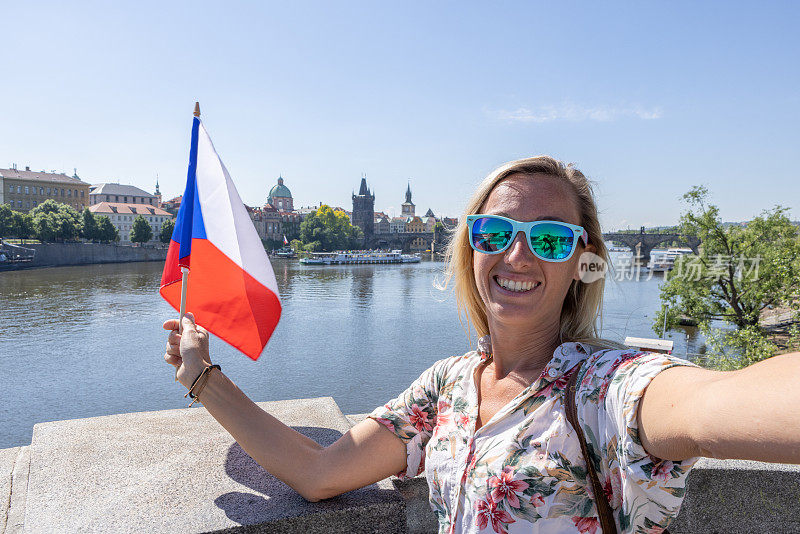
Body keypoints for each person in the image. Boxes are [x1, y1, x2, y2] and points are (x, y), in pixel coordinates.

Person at [164, 156, 800, 533]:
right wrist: (203, 379)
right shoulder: (447, 386)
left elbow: (715, 404)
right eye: (494, 230)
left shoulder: (610, 385)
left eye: (550, 238)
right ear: (470, 247)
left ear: (585, 262)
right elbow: (320, 472)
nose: (517, 253)